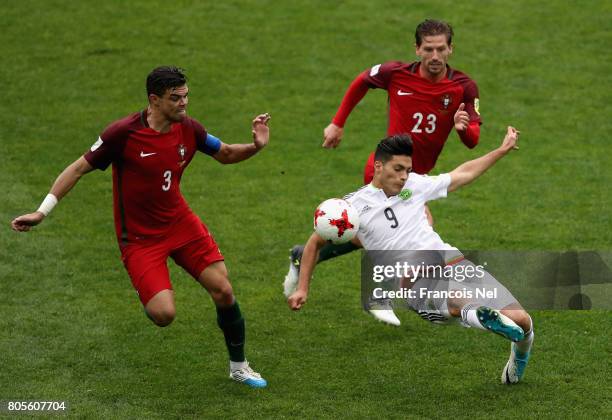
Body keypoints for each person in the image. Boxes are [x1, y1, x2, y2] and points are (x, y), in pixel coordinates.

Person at [11, 66, 269, 388]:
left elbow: (226, 153)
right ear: (154, 100)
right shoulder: (122, 134)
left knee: (224, 290)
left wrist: (256, 146)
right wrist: (41, 211)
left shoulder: (188, 128)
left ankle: (239, 366)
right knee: (163, 315)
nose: (184, 104)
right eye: (176, 98)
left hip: (179, 223)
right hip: (140, 240)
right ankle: (149, 293)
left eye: (186, 96)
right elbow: (77, 168)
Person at [287, 129, 535, 384]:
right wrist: (302, 288)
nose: (404, 176)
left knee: (522, 320)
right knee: (457, 298)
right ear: (378, 166)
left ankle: (518, 354)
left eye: (407, 169)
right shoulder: (352, 207)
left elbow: (463, 174)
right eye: (398, 169)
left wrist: (501, 150)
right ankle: (482, 314)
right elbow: (314, 242)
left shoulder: (415, 185)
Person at [284, 19, 482, 326]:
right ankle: (384, 293)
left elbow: (472, 140)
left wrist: (463, 129)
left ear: (450, 49)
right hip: (385, 171)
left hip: (414, 175)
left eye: (441, 49)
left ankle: (306, 254)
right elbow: (362, 80)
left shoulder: (463, 87)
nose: (434, 56)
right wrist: (338, 122)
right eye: (428, 49)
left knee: (376, 232)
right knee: (399, 233)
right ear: (417, 49)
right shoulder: (396, 73)